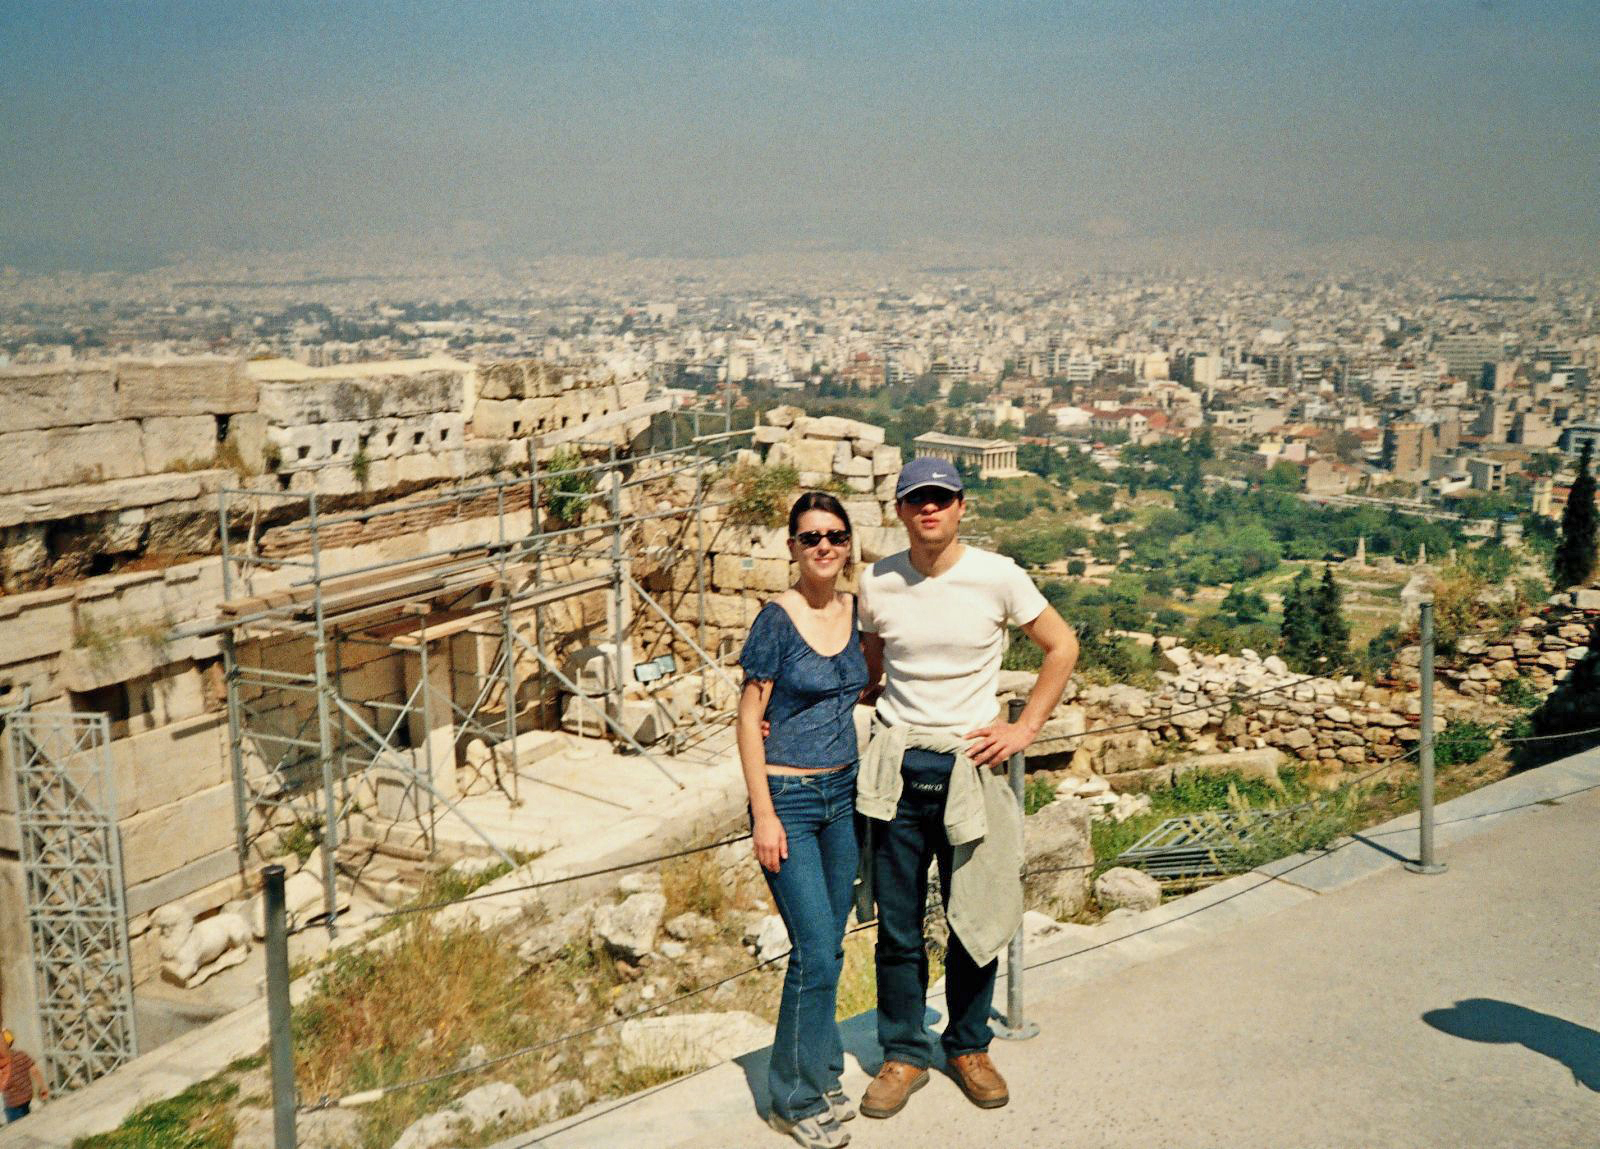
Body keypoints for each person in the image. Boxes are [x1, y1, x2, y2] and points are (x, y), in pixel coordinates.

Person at [854, 456, 1077, 1119]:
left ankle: (969, 1046)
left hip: (968, 770)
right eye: (916, 499)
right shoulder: (877, 581)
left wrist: (1025, 728)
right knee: (897, 927)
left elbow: (1061, 645)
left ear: (960, 506)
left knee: (973, 918)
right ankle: (903, 1052)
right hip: (896, 771)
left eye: (941, 498)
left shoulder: (997, 575)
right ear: (900, 509)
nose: (929, 508)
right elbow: (872, 669)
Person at [737, 491, 870, 1149]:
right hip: (788, 799)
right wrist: (763, 813)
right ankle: (791, 1097)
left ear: (848, 544)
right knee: (814, 949)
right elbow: (746, 719)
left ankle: (820, 1069)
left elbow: (860, 686)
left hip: (843, 796)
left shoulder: (854, 611)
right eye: (811, 536)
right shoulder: (775, 620)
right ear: (792, 546)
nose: (824, 546)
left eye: (835, 535)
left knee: (833, 946)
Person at [1, 1029, 48, 1124]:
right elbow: (35, 1071)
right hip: (27, 1099)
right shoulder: (21, 1054)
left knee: (16, 1129)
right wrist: (43, 1087)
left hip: (12, 1104)